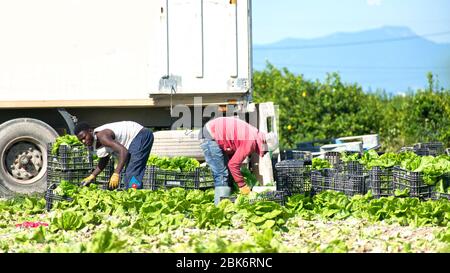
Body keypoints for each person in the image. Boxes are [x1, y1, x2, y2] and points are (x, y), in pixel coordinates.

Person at [199, 116, 278, 205]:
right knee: (222, 175)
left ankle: (225, 204)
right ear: (264, 144)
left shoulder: (254, 134)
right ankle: (218, 209)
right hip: (210, 136)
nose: (265, 153)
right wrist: (242, 186)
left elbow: (232, 148)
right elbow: (233, 165)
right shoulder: (250, 141)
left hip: (211, 134)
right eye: (267, 151)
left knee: (226, 173)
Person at [74, 121, 154, 190]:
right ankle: (133, 193)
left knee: (132, 172)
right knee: (127, 175)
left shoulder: (102, 136)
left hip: (140, 135)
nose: (83, 141)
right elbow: (104, 160)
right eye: (81, 140)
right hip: (134, 140)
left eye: (84, 137)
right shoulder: (94, 144)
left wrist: (116, 173)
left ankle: (136, 196)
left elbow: (123, 151)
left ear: (90, 131)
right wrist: (92, 176)